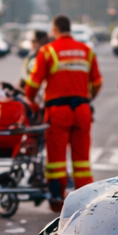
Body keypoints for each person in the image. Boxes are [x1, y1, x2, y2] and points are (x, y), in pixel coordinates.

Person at [25, 14, 102, 211]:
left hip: (58, 111)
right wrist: (87, 98)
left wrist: (32, 102)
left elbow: (32, 85)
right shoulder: (86, 51)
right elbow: (97, 82)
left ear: (55, 29)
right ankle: (84, 201)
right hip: (82, 110)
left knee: (57, 161)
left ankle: (58, 200)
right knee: (82, 161)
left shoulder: (48, 51)